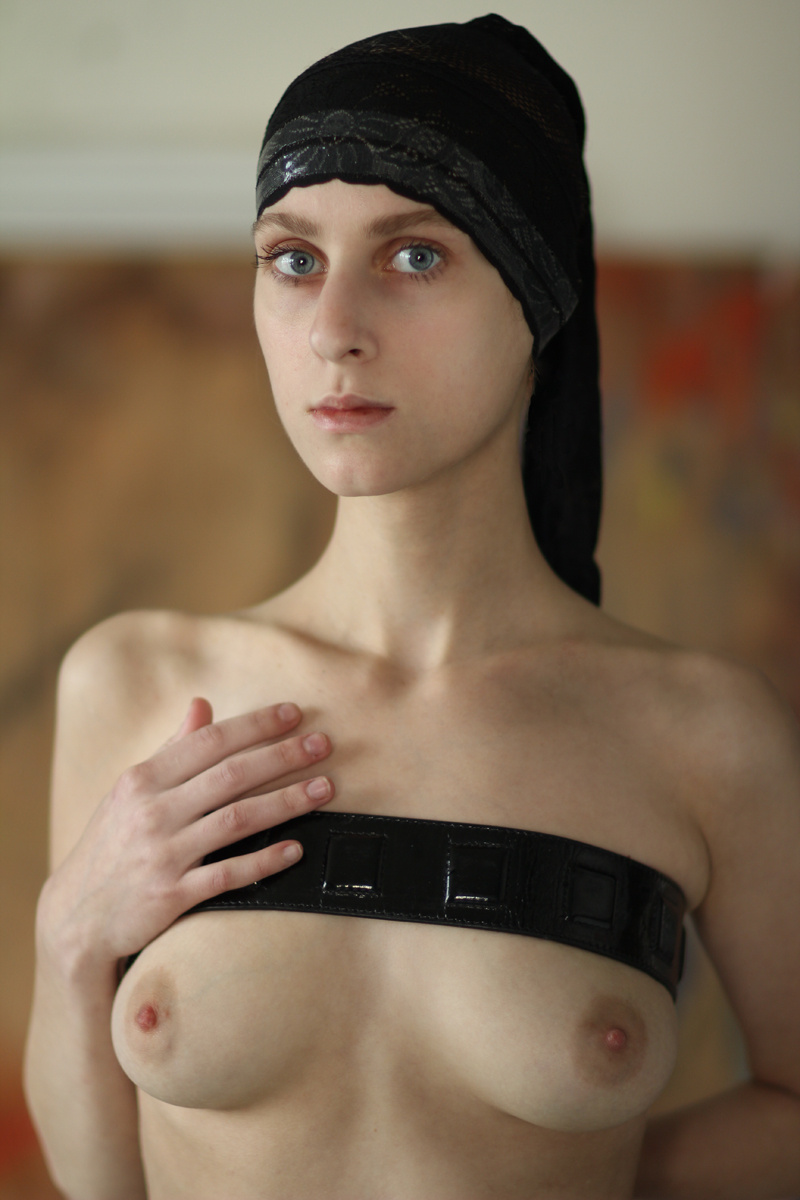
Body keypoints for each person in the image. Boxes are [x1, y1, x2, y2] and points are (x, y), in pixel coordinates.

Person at [24, 15, 800, 1200]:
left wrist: (582, 1174)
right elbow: (100, 1184)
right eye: (293, 258)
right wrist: (70, 937)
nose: (333, 329)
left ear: (537, 299)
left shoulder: (703, 734)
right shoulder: (132, 684)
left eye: (414, 255)